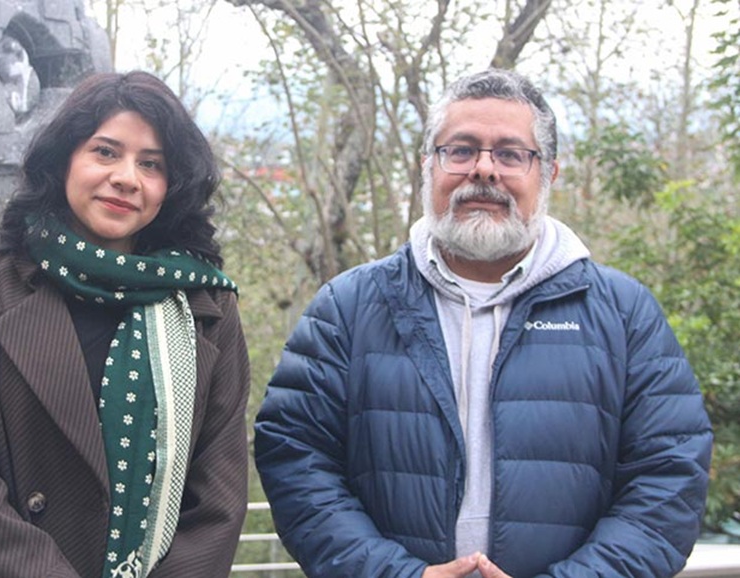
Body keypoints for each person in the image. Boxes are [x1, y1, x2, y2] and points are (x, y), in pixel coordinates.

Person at [253, 68, 712, 578]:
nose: (484, 170)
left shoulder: (624, 314)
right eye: (461, 150)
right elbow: (296, 458)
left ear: (549, 173)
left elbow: (669, 478)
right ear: (427, 165)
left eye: (511, 154)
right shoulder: (348, 307)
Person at [0, 70, 250, 578]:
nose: (127, 178)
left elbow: (218, 496)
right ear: (64, 159)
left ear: (171, 185)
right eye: (106, 152)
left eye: (151, 163)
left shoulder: (206, 307)